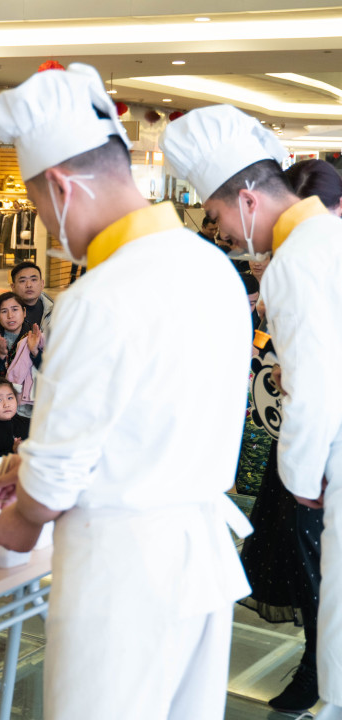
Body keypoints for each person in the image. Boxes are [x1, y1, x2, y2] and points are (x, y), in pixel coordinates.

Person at [0, 64, 252, 719]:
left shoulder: (99, 296)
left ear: (63, 186)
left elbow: (52, 488)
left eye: (42, 207)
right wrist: (34, 462)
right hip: (198, 557)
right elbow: (149, 416)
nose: (49, 227)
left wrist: (12, 521)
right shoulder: (211, 266)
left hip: (122, 574)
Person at [165, 110, 342, 717]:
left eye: (216, 217)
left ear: (246, 199)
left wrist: (300, 482)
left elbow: (314, 388)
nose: (226, 234)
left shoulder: (295, 260)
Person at [10, 261, 54, 336]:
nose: (29, 285)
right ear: (13, 287)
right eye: (22, 281)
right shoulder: (3, 312)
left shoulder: (54, 310)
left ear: (42, 284)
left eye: (34, 280)